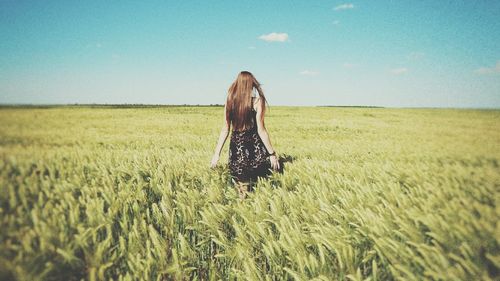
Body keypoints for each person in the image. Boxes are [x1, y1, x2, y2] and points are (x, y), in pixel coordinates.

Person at [210, 71, 280, 199]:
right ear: (250, 85)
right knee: (259, 189)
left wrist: (216, 154)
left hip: (237, 152)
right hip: (256, 151)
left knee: (242, 193)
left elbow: (225, 129)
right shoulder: (258, 102)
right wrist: (272, 154)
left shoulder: (230, 101)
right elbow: (261, 130)